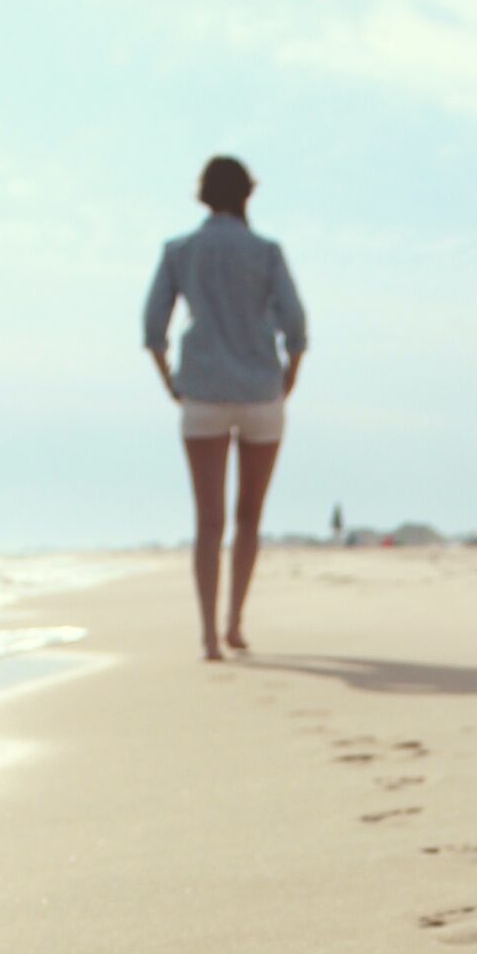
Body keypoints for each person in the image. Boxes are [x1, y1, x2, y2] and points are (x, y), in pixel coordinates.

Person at [143, 157, 308, 660]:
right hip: (261, 389)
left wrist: (170, 380)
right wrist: (288, 380)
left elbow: (153, 328)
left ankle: (209, 637)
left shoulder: (180, 251)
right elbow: (296, 328)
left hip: (203, 391)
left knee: (208, 521)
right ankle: (235, 621)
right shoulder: (265, 252)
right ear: (246, 196)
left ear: (203, 196)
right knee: (248, 518)